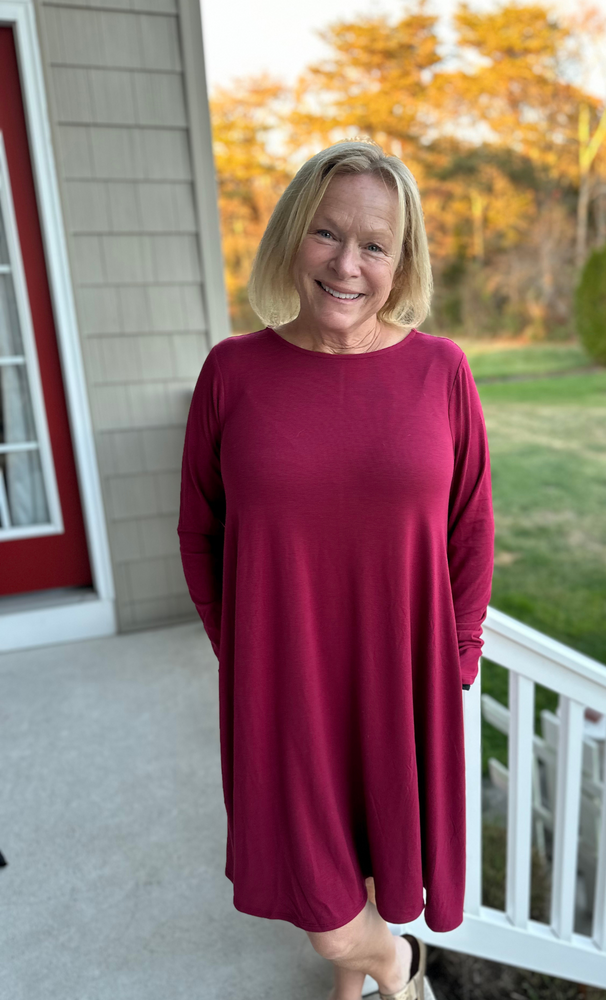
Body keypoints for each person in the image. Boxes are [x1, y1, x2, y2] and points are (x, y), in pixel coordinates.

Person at [177, 138, 495, 1000]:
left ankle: (357, 984)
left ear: (403, 259)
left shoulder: (442, 371)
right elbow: (199, 530)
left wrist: (455, 661)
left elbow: (470, 531)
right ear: (291, 237)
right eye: (326, 234)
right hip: (282, 682)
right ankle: (393, 964)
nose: (347, 264)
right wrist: (240, 649)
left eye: (375, 245)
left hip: (404, 679)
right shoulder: (232, 372)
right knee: (327, 920)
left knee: (368, 858)